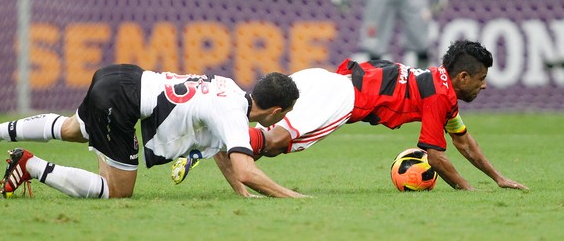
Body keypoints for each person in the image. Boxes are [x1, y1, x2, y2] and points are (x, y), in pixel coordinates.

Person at [175, 40, 528, 191]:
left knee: (264, 122)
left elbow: (462, 140)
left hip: (325, 78)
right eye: (481, 79)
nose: (484, 86)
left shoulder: (438, 85)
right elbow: (435, 156)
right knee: (273, 143)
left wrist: (497, 178)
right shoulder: (440, 95)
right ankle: (210, 137)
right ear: (462, 77)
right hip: (341, 97)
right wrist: (469, 190)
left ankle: (212, 130)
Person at [0, 64, 307, 199]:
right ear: (275, 111)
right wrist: (293, 198)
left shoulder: (229, 88)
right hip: (123, 102)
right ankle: (29, 165)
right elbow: (246, 170)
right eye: (284, 115)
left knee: (73, 130)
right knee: (116, 193)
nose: (280, 122)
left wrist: (243, 197)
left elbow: (222, 152)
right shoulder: (234, 114)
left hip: (121, 76)